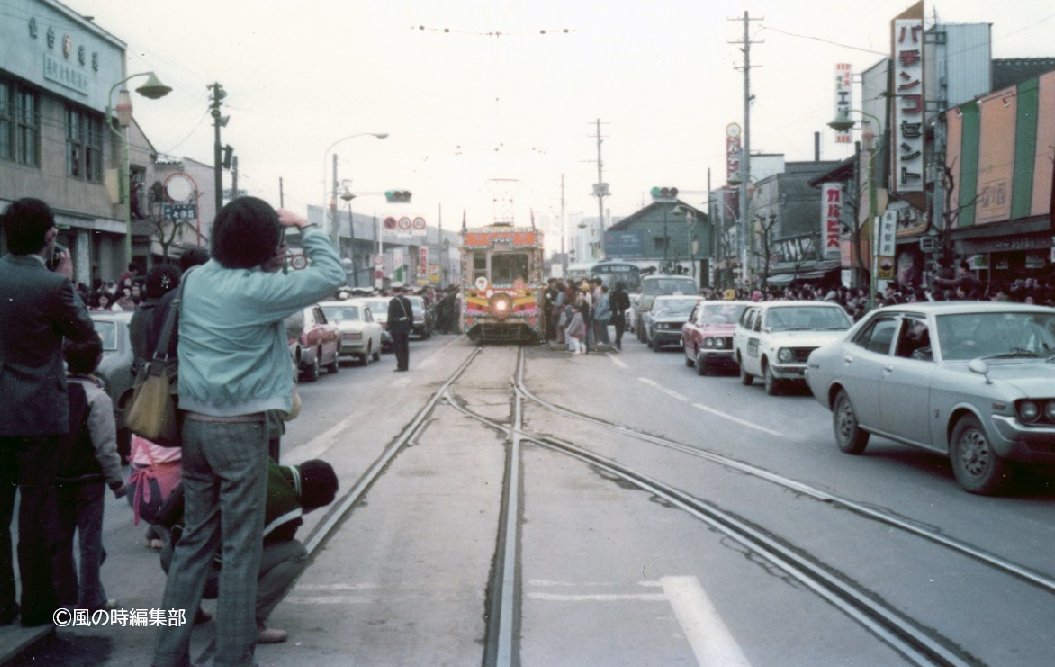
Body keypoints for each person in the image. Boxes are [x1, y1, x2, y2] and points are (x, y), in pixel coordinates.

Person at [152, 197, 343, 667]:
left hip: (194, 425)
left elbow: (239, 283)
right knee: (240, 549)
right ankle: (232, 658)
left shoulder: (195, 280)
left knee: (194, 542)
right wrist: (305, 226)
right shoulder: (259, 291)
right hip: (240, 429)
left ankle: (168, 656)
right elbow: (330, 274)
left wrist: (265, 263)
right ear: (263, 244)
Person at [0, 198, 96, 626]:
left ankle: (2, 603)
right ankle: (38, 603)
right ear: (50, 235)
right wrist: (68, 281)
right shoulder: (53, 287)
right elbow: (86, 335)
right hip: (39, 410)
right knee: (36, 509)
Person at [157, 458, 339, 645]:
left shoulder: (262, 461)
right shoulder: (288, 510)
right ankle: (246, 623)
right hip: (207, 577)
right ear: (310, 500)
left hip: (173, 557)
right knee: (295, 553)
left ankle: (188, 608)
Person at [53, 336, 127, 612]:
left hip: (58, 476)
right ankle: (91, 599)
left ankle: (66, 596)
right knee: (90, 542)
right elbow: (105, 446)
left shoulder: (55, 390)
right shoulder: (98, 397)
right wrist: (116, 481)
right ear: (97, 360)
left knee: (61, 539)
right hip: (89, 479)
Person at [387, 285, 413, 372]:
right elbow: (410, 314)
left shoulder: (393, 302)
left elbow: (390, 315)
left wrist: (389, 327)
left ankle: (401, 366)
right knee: (405, 346)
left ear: (394, 292)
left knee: (398, 347)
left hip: (396, 326)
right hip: (405, 325)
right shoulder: (407, 301)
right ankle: (406, 365)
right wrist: (410, 326)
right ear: (401, 291)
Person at [610, 281, 630, 351]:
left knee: (617, 327)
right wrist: (624, 308)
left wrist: (613, 309)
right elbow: (628, 304)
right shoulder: (624, 294)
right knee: (622, 328)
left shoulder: (612, 294)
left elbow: (610, 304)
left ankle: (618, 342)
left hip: (615, 313)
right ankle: (618, 340)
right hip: (621, 312)